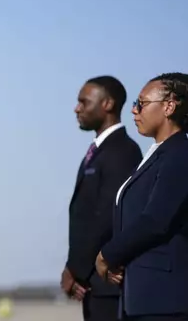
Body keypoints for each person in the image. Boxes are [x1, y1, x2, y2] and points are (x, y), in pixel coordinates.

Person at [96, 72, 188, 321]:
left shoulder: (179, 155)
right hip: (141, 298)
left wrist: (107, 255)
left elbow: (156, 219)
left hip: (164, 301)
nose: (134, 111)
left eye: (142, 103)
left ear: (169, 106)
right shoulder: (157, 154)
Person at [63, 76, 142, 321]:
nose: (77, 108)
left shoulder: (122, 151)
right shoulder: (99, 152)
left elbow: (107, 216)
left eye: (83, 102)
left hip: (107, 284)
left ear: (107, 104)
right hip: (93, 282)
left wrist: (74, 268)